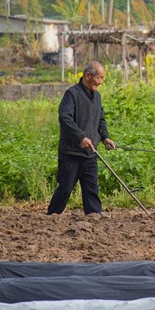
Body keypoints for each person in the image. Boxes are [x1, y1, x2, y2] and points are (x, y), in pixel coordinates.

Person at [47, 61, 116, 217]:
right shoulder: (72, 94)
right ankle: (52, 216)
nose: (101, 82)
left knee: (92, 189)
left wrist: (105, 137)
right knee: (65, 188)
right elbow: (65, 118)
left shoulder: (97, 97)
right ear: (87, 76)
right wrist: (80, 137)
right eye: (99, 78)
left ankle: (94, 216)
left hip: (90, 153)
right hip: (71, 152)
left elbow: (100, 120)